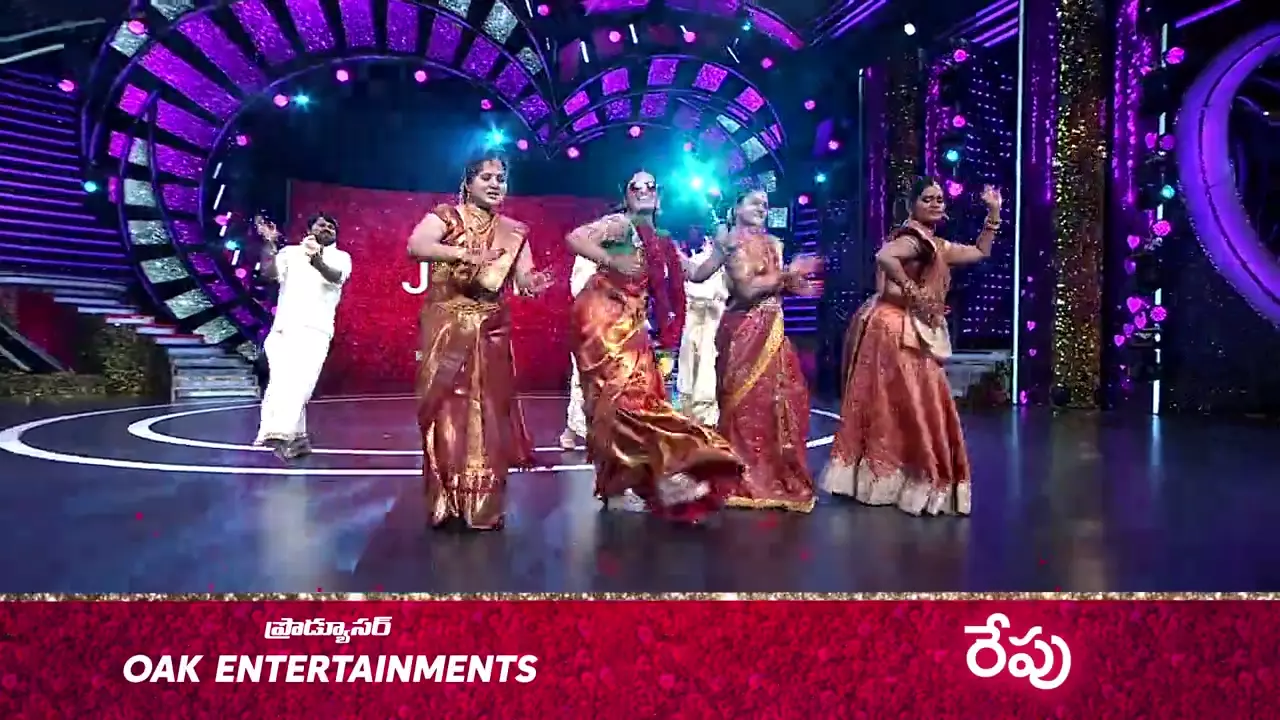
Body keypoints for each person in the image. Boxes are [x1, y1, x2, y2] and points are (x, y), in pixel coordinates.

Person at [566, 171, 744, 523]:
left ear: (659, 196)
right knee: (625, 400)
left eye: (651, 186)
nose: (645, 191)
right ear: (626, 195)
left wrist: (722, 251)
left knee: (632, 402)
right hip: (603, 320)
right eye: (636, 186)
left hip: (632, 326)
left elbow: (696, 273)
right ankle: (662, 476)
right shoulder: (619, 224)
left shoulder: (662, 240)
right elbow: (575, 237)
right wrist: (612, 260)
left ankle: (622, 484)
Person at [820, 177, 1003, 516]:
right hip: (894, 326)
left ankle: (892, 478)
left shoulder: (935, 244)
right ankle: (899, 477)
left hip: (902, 325)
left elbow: (980, 252)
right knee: (907, 402)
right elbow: (885, 257)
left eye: (939, 199)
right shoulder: (914, 239)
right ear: (912, 204)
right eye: (927, 199)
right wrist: (912, 291)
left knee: (904, 404)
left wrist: (993, 214)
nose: (935, 204)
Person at [405, 153, 553, 531]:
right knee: (447, 411)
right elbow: (417, 245)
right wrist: (464, 253)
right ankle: (446, 500)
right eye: (486, 177)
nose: (495, 184)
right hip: (447, 326)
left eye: (500, 178)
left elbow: (524, 277)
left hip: (491, 329)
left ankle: (482, 504)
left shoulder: (514, 231)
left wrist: (532, 283)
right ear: (468, 183)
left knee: (488, 412)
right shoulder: (446, 217)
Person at [684, 190, 823, 512]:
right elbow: (746, 289)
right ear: (737, 207)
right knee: (745, 405)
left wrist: (797, 285)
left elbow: (775, 285)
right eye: (754, 202)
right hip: (742, 332)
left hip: (774, 329)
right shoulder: (731, 242)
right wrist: (789, 275)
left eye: (765, 204)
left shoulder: (774, 243)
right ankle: (743, 475)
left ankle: (776, 474)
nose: (762, 207)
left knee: (782, 400)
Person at [252, 212, 351, 461]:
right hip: (283, 326)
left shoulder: (341, 257)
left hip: (315, 328)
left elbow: (335, 277)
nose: (326, 228)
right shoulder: (290, 253)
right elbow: (268, 273)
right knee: (281, 380)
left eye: (331, 227)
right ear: (309, 229)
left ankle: (278, 431)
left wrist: (316, 260)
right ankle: (297, 439)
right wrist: (269, 243)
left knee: (300, 381)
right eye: (321, 224)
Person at [677, 231, 729, 426]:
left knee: (708, 364)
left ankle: (707, 417)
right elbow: (692, 277)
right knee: (688, 365)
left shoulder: (726, 262)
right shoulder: (696, 260)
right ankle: (689, 413)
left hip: (715, 319)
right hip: (692, 318)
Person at [559, 254, 598, 450]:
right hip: (591, 323)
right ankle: (573, 429)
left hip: (620, 323)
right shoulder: (586, 254)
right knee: (584, 377)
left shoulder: (630, 248)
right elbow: (579, 289)